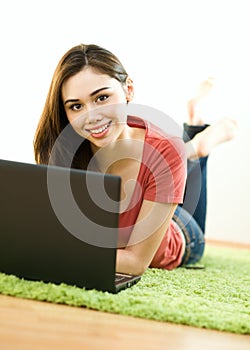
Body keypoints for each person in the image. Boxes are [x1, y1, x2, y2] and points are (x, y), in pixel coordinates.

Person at [33, 44, 237, 276]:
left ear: (128, 90)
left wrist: (57, 252)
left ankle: (199, 145)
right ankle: (191, 144)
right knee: (169, 163)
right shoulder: (63, 149)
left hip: (180, 234)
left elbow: (135, 263)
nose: (91, 116)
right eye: (77, 106)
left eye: (102, 98)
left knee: (173, 156)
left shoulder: (164, 151)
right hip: (148, 199)